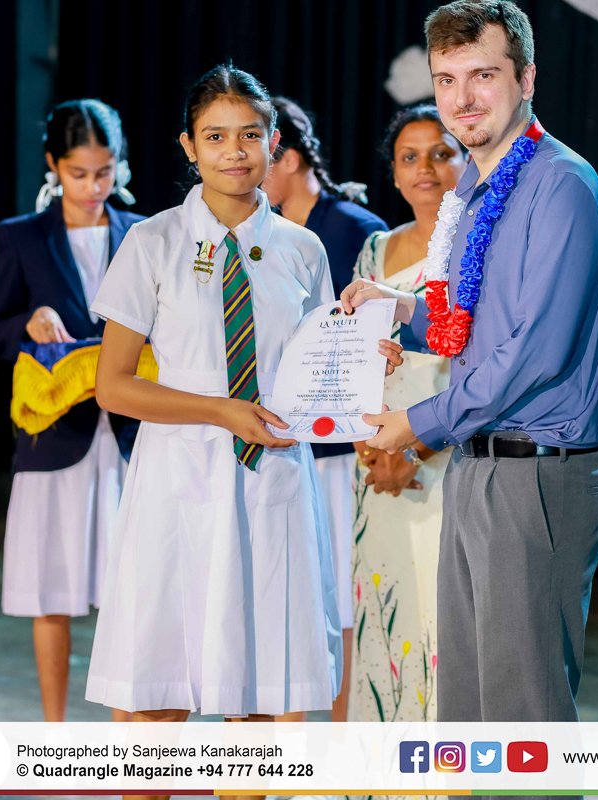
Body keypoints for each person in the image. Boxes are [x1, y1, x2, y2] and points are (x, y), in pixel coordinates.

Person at [82, 65, 404, 748]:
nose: (235, 151)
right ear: (188, 146)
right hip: (177, 483)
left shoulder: (304, 249)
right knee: (158, 703)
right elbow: (114, 386)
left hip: (273, 484)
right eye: (216, 136)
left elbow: (317, 373)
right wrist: (220, 409)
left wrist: (363, 364)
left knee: (257, 702)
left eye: (250, 135)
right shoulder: (152, 243)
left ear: (274, 140)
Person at [340, 0, 598, 733]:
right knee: (468, 717)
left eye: (483, 75)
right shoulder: (474, 188)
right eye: (447, 79)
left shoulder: (560, 183)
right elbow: (468, 319)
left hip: (539, 474)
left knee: (522, 722)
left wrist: (416, 423)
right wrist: (398, 307)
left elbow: (535, 350)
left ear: (526, 78)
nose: (462, 97)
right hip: (476, 466)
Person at [0, 99, 142, 722]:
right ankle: (55, 734)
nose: (93, 186)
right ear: (54, 164)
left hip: (132, 434)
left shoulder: (144, 234)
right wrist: (29, 320)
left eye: (104, 172)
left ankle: (127, 737)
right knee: (51, 591)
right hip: (55, 436)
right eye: (79, 173)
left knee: (130, 592)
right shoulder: (22, 236)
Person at [261, 95, 387, 721]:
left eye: (259, 151)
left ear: (287, 156)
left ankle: (339, 744)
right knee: (292, 597)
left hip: (345, 448)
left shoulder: (355, 228)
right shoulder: (262, 235)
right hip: (285, 440)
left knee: (342, 601)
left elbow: (379, 334)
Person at [347, 104, 465, 723]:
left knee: (442, 616)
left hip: (449, 457)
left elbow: (484, 368)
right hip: (376, 464)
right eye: (410, 157)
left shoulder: (480, 248)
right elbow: (352, 355)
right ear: (393, 173)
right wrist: (373, 451)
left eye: (442, 153)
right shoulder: (376, 248)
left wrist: (415, 449)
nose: (426, 168)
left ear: (466, 161)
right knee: (383, 609)